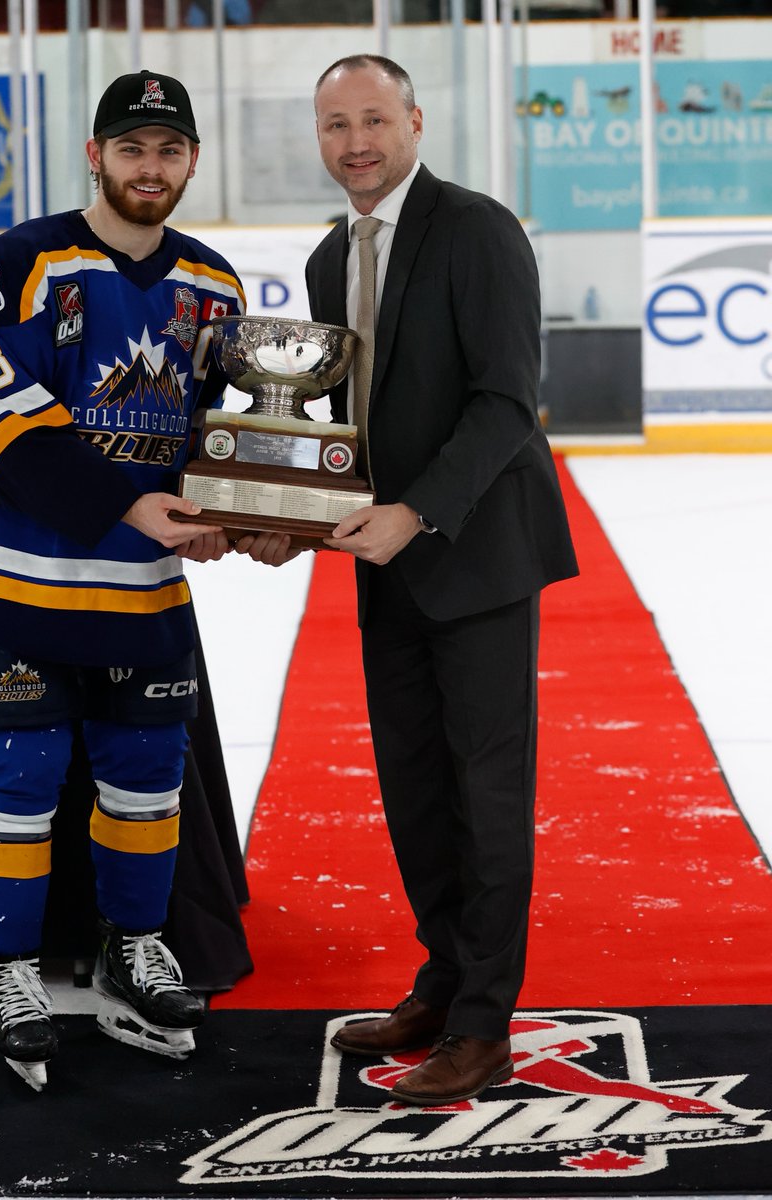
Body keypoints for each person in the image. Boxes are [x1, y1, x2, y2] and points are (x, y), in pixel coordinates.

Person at [0, 69, 245, 1091]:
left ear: (192, 160)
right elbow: (6, 425)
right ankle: (15, 972)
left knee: (147, 785)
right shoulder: (17, 264)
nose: (150, 168)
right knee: (17, 790)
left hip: (145, 590)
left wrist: (245, 512)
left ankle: (132, 946)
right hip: (16, 588)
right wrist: (129, 506)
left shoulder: (214, 286)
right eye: (132, 149)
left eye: (168, 150)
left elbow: (216, 435)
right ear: (96, 154)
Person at [304, 54, 579, 1104]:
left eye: (375, 119)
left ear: (414, 121)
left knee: (484, 793)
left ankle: (483, 1026)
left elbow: (508, 400)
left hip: (477, 556)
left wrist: (415, 513)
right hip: (385, 566)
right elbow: (343, 428)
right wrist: (298, 514)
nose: (357, 142)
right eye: (337, 125)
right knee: (415, 789)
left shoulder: (477, 229)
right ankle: (443, 979)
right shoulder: (333, 259)